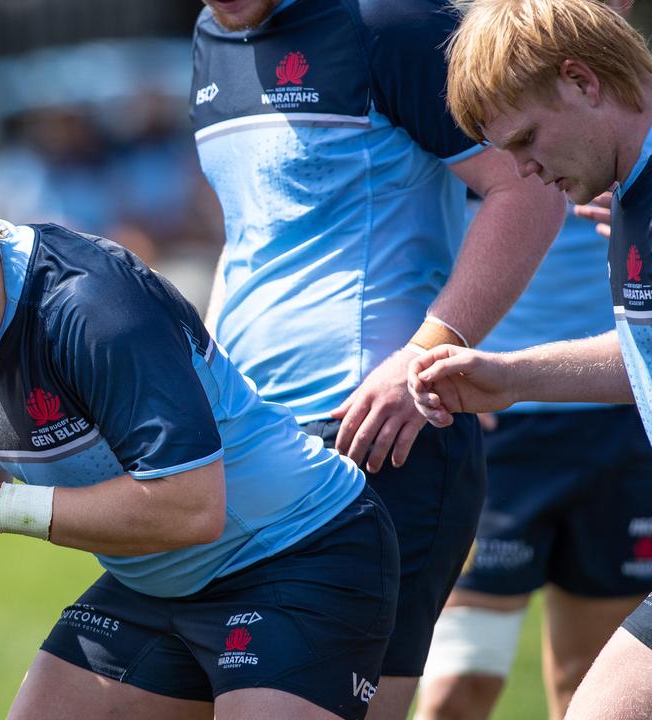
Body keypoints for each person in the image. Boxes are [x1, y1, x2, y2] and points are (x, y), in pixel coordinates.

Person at [0, 176, 401, 720]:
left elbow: (192, 507)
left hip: (296, 558)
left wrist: (0, 507)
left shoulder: (91, 308)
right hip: (158, 584)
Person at [190, 0, 566, 715]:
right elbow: (252, 234)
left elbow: (527, 187)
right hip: (247, 441)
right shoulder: (213, 34)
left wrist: (428, 352)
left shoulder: (390, 23)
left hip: (376, 435)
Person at [412, 1, 652, 717]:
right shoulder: (629, 197)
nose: (522, 171)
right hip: (522, 442)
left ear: (582, 81)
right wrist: (513, 377)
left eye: (526, 139)